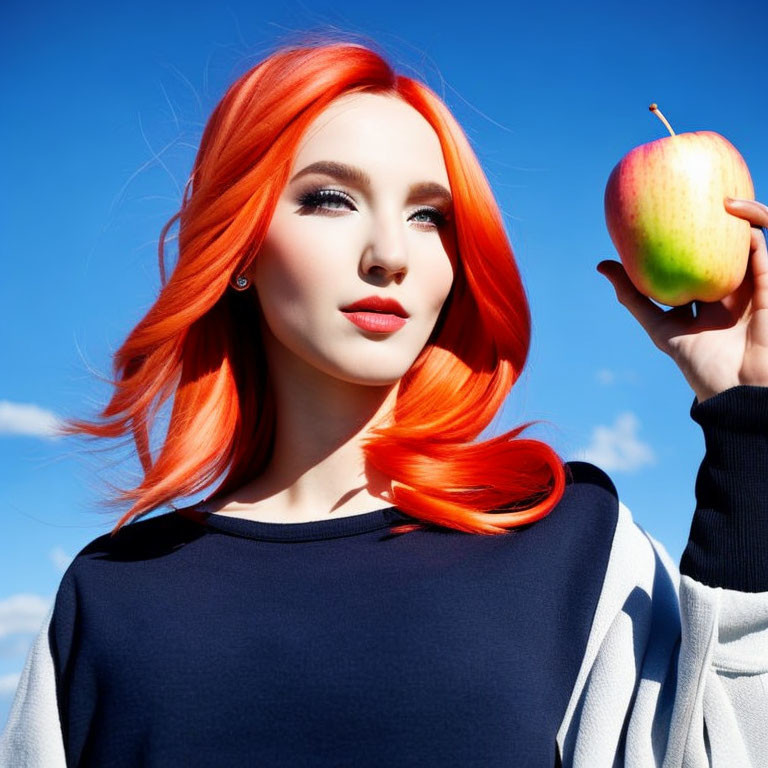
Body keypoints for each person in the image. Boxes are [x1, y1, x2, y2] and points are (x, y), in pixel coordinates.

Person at [2, 37, 767, 768]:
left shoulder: (568, 538)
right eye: (330, 199)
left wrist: (748, 410)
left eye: (429, 215)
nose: (390, 254)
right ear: (238, 244)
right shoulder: (107, 597)